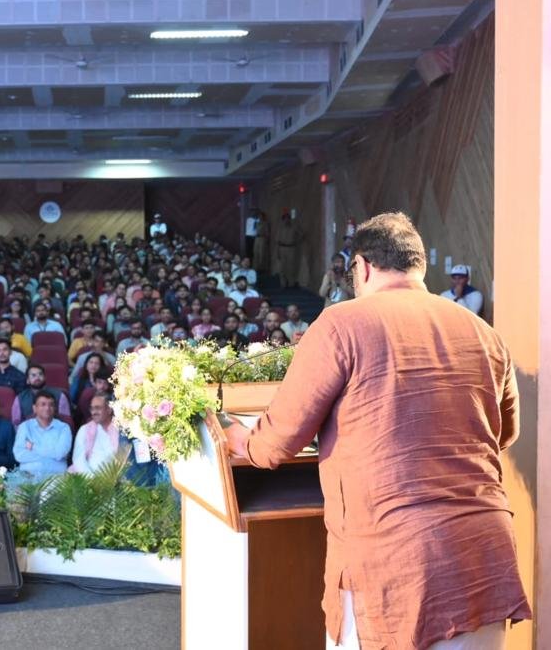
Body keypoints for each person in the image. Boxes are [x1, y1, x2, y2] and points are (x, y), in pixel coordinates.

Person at [222, 213, 529, 649]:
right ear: (418, 266)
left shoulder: (341, 324)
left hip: (395, 560)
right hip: (485, 549)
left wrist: (235, 437)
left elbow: (277, 443)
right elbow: (504, 433)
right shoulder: (484, 333)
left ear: (362, 267)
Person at [13, 391, 72, 478]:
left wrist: (33, 447)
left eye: (51, 405)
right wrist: (51, 455)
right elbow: (19, 455)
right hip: (28, 477)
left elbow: (60, 454)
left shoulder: (64, 428)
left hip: (56, 477)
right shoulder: (24, 427)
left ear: (55, 408)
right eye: (43, 404)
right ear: (34, 408)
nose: (47, 408)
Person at [70, 393, 123, 475]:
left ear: (109, 409)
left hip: (114, 481)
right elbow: (78, 460)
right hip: (86, 480)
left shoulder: (121, 430)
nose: (93, 412)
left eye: (98, 408)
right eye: (92, 408)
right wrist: (92, 480)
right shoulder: (84, 429)